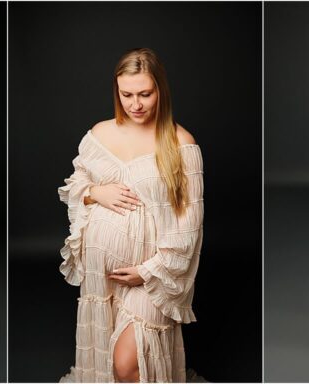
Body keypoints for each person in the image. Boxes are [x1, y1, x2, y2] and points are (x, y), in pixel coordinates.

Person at [59, 48, 203, 383]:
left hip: (151, 281)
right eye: (126, 95)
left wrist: (147, 272)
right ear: (116, 91)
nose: (135, 104)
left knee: (126, 365)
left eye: (145, 94)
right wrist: (95, 192)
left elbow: (190, 226)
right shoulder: (99, 134)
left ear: (160, 92)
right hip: (103, 278)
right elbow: (77, 181)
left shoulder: (181, 144)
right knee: (109, 365)